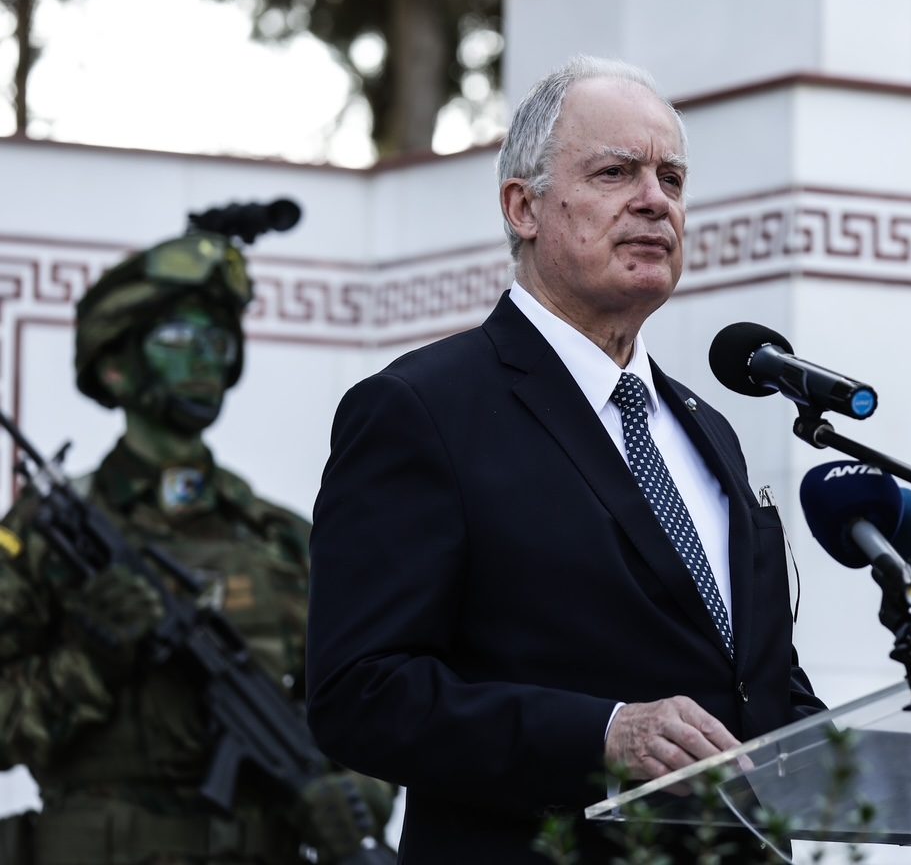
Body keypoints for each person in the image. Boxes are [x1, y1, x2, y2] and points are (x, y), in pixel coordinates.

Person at [305, 55, 824, 862]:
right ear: (524, 207)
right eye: (616, 173)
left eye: (672, 179)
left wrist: (849, 750)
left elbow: (748, 679)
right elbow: (359, 693)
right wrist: (601, 736)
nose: (655, 201)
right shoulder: (422, 410)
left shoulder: (708, 430)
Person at [0, 227, 394, 864]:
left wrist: (356, 794)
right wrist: (89, 661)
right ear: (114, 366)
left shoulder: (282, 540)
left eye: (217, 342)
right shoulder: (49, 533)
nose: (204, 359)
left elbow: (370, 699)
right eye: (178, 340)